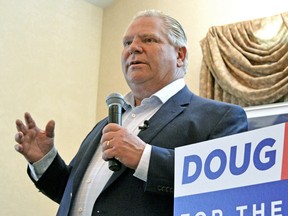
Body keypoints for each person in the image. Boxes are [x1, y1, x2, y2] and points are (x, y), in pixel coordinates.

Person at [14, 9, 248, 216]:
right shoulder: (106, 124)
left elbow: (222, 191)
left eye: (148, 39)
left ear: (180, 55)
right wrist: (45, 160)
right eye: (127, 43)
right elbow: (73, 194)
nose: (133, 48)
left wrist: (144, 157)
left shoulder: (221, 118)